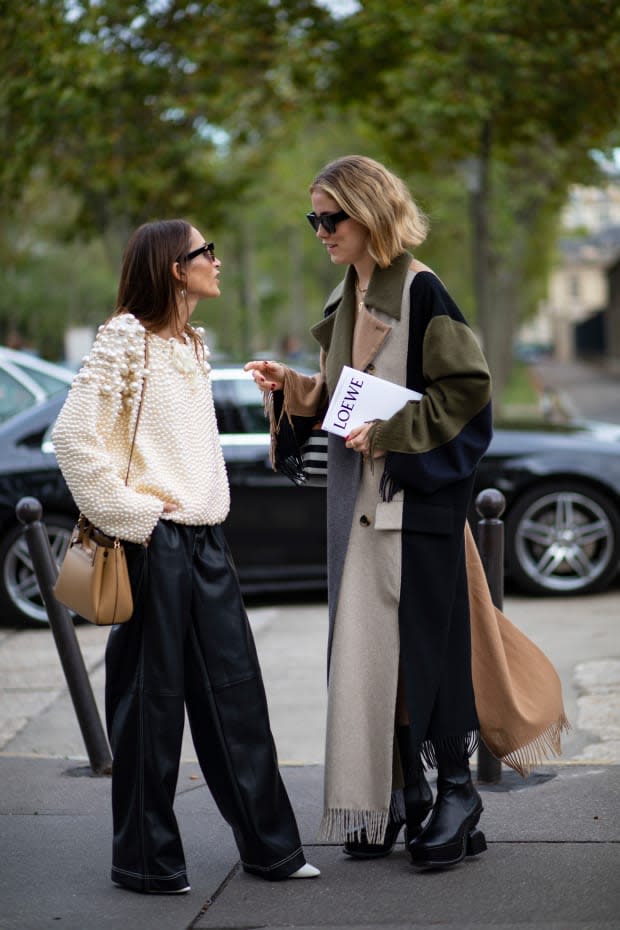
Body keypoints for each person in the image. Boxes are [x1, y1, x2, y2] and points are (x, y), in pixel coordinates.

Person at [245, 155, 567, 871]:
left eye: (333, 218)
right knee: (370, 657)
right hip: (356, 512)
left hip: (412, 509)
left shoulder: (422, 292)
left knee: (433, 651)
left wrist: (391, 434)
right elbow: (342, 397)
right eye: (314, 218)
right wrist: (293, 388)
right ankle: (402, 795)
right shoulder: (346, 296)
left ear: (374, 216)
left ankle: (454, 793)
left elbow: (467, 395)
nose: (321, 230)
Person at [52, 219, 319, 893]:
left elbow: (190, 449)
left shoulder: (192, 343)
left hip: (205, 541)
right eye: (207, 252)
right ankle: (144, 861)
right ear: (176, 267)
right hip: (153, 543)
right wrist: (138, 517)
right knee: (150, 705)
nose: (218, 261)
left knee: (237, 698)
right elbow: (73, 439)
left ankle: (272, 851)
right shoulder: (126, 338)